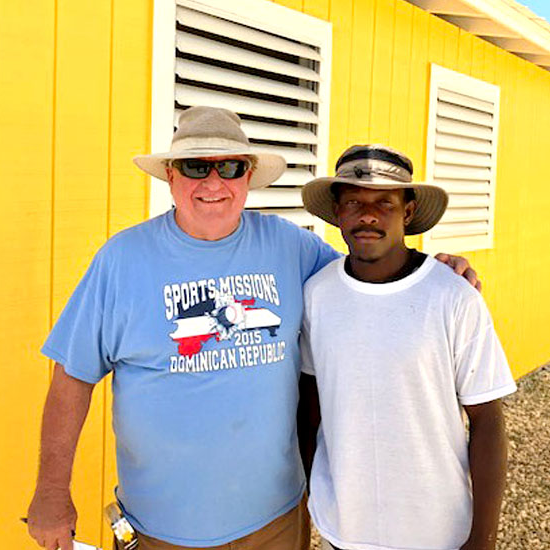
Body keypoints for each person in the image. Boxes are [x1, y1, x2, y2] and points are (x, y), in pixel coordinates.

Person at [25, 107, 480, 550]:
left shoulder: (290, 247)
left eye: (229, 166)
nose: (213, 182)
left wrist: (434, 270)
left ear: (248, 176)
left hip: (276, 520)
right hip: (163, 528)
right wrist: (50, 492)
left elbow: (365, 282)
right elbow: (73, 377)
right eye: (195, 166)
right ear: (170, 176)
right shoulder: (121, 261)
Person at [299, 145, 516, 550]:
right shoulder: (317, 294)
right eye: (353, 202)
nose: (368, 214)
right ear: (337, 212)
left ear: (409, 212)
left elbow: (487, 422)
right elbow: (310, 405)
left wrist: (482, 539)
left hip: (437, 532)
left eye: (385, 202)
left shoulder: (454, 297)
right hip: (342, 529)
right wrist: (316, 495)